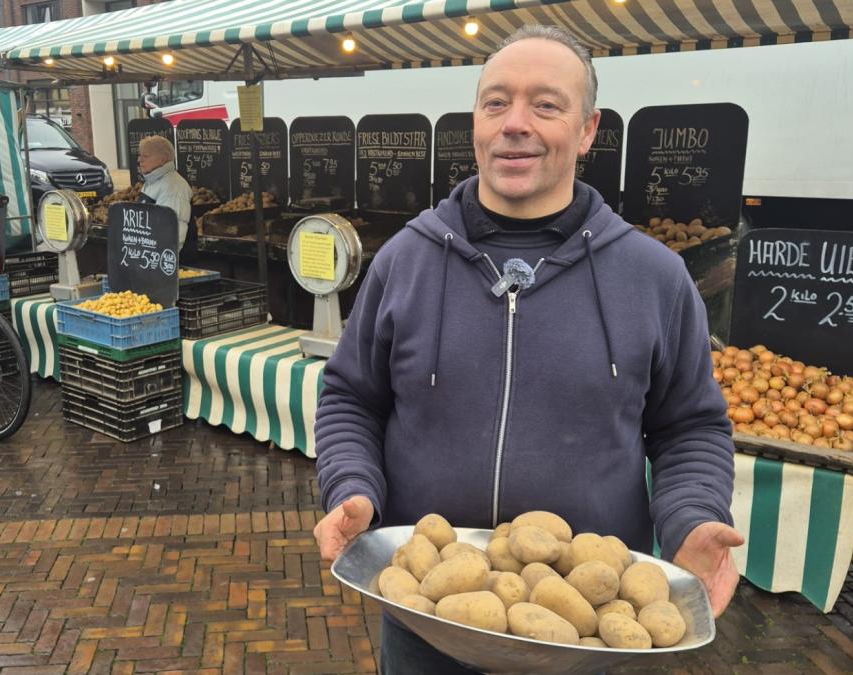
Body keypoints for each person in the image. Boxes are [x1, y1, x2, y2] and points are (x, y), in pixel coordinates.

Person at [312, 25, 742, 672]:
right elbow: (350, 396)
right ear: (476, 123)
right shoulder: (404, 260)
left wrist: (691, 515)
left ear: (589, 129)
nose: (516, 123)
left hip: (590, 631)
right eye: (496, 103)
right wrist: (352, 485)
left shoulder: (653, 277)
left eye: (546, 104)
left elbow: (690, 426)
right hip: (429, 615)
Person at [137, 135, 192, 252]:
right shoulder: (152, 181)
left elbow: (173, 235)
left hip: (173, 264)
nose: (139, 160)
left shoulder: (173, 187)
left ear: (163, 159)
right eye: (140, 155)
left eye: (145, 156)